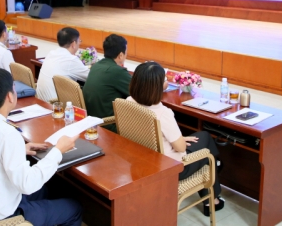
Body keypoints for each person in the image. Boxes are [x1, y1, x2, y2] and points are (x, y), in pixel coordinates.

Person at [0, 69, 82, 226]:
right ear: (10, 96)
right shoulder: (7, 133)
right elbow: (27, 185)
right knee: (73, 207)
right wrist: (58, 150)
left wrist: (20, 150)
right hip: (1, 219)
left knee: (46, 189)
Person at [128, 62, 224, 216]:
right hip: (172, 168)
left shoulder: (128, 101)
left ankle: (215, 179)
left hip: (143, 159)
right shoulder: (162, 112)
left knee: (199, 139)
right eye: (164, 80)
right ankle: (212, 195)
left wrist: (177, 138)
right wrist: (179, 140)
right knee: (206, 143)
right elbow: (181, 148)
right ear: (158, 87)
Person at [82, 34, 131, 132]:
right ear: (121, 55)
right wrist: (161, 85)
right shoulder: (116, 71)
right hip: (108, 125)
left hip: (91, 121)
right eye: (126, 53)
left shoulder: (96, 66)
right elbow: (141, 91)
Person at [36, 27, 89, 102]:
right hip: (56, 105)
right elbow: (91, 77)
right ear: (73, 44)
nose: (79, 43)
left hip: (41, 101)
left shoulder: (51, 53)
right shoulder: (71, 60)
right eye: (79, 41)